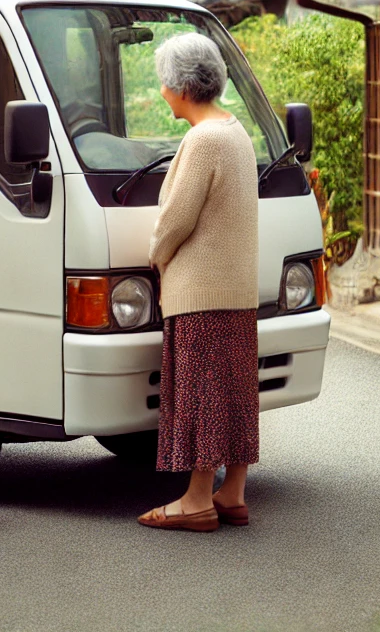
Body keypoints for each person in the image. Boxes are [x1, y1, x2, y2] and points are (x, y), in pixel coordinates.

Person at [138, 32, 260, 533]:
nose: (162, 90)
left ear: (183, 87)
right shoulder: (236, 132)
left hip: (200, 292)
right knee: (233, 394)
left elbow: (176, 219)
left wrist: (155, 254)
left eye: (165, 82)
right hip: (237, 290)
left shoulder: (202, 139)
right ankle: (232, 493)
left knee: (202, 396)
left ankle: (195, 500)